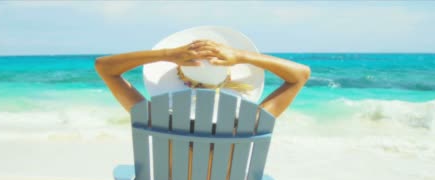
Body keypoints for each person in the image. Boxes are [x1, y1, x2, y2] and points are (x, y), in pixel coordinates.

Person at [95, 27, 310, 118]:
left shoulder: (153, 117)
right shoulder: (251, 121)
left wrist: (166, 53)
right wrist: (242, 55)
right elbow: (300, 74)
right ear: (228, 75)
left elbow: (105, 67)